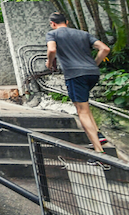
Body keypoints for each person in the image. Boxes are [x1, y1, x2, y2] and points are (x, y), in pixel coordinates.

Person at [46, 11, 110, 156]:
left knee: (82, 111)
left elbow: (52, 49)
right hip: (92, 73)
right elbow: (105, 49)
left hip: (75, 74)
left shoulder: (52, 34)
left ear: (52, 24)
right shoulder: (83, 34)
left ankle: (99, 153)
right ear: (67, 22)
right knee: (84, 106)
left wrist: (49, 63)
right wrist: (95, 64)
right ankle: (98, 134)